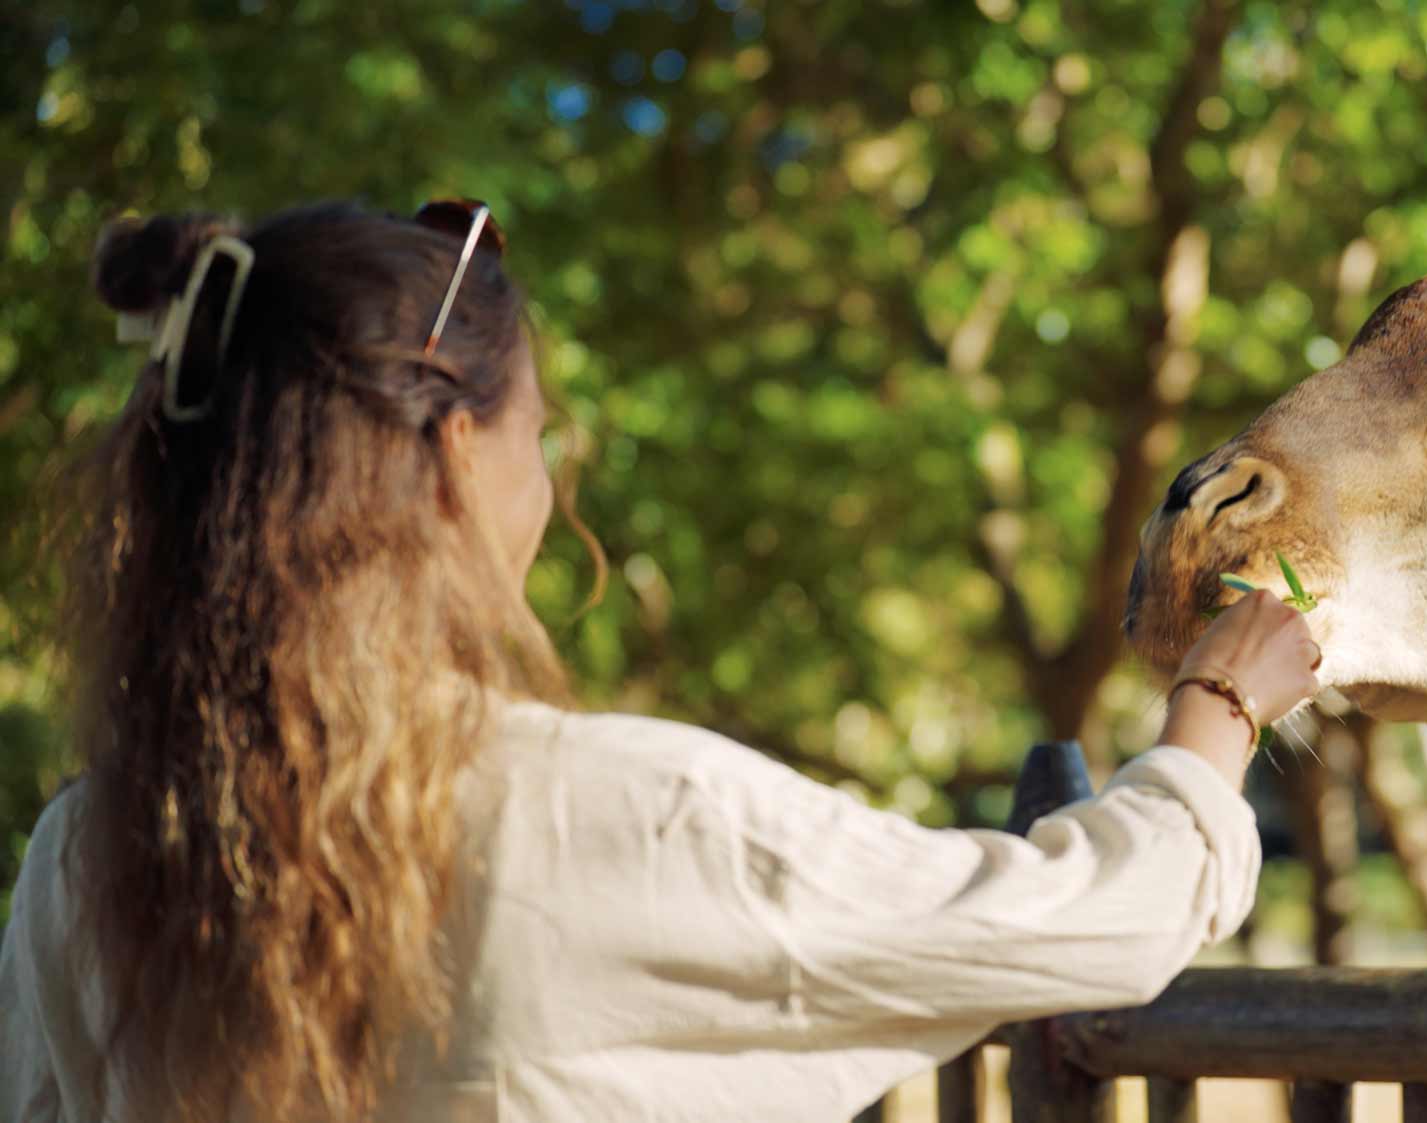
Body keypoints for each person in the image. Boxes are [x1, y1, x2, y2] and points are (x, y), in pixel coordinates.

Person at [0, 201, 1322, 1122]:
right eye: (536, 429)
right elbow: (1076, 916)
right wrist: (1217, 708)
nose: (549, 470)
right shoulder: (616, 817)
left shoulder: (82, 858)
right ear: (455, 455)